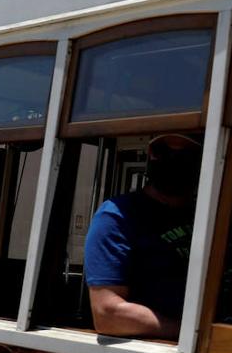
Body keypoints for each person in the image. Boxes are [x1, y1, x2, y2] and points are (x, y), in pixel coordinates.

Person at [84, 134, 201, 340]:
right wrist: (193, 333)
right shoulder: (117, 215)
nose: (172, 161)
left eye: (184, 154)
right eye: (163, 152)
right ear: (150, 155)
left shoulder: (209, 215)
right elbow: (107, 314)